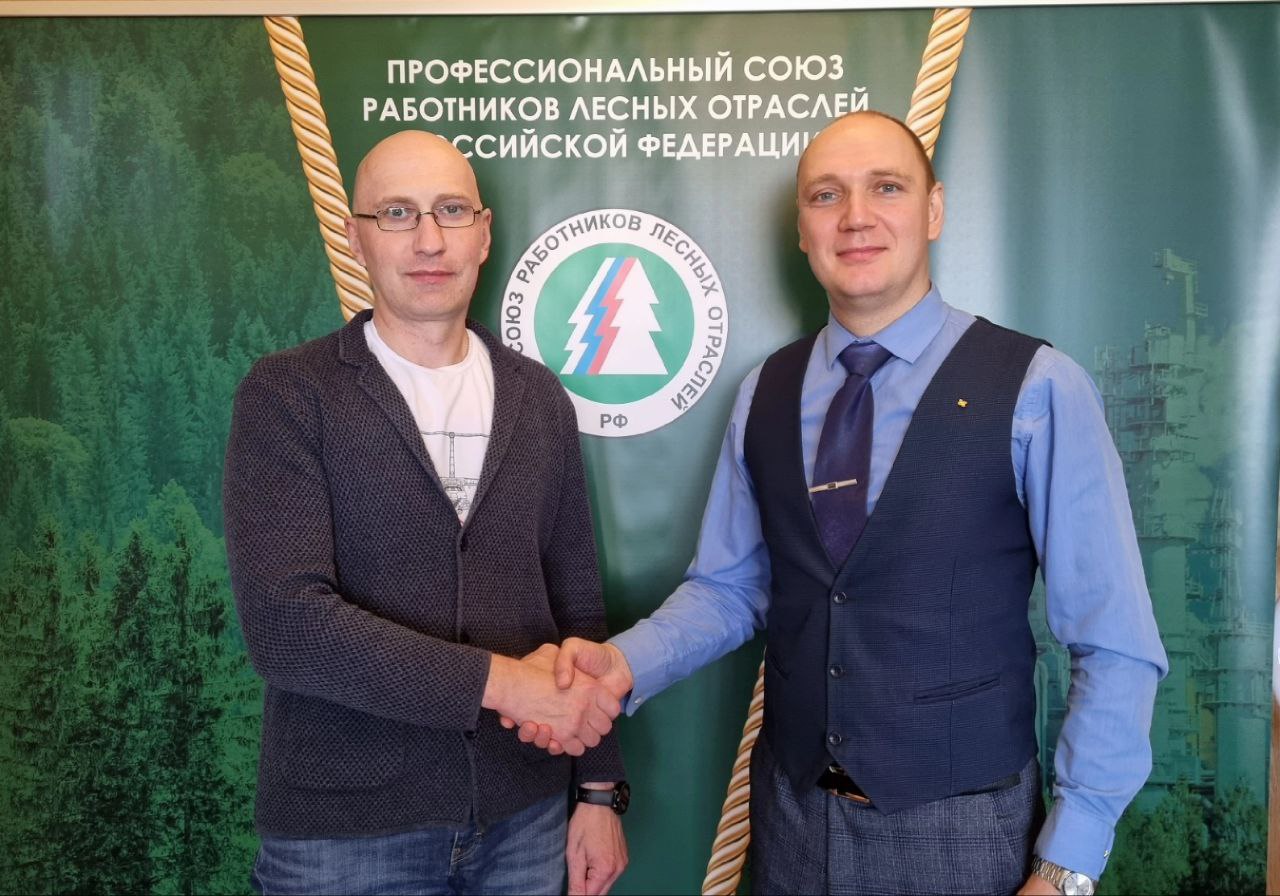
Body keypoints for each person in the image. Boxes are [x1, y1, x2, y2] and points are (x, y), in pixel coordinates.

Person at [521, 111, 1167, 895]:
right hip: (791, 825)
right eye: (827, 196)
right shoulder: (766, 392)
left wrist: (1065, 867)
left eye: (886, 188)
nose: (856, 216)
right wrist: (623, 666)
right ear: (802, 229)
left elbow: (1114, 641)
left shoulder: (1038, 387)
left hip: (963, 834)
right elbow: (730, 588)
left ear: (933, 209)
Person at [223, 130, 628, 896]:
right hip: (344, 836)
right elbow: (286, 628)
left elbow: (577, 607)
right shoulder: (288, 394)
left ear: (484, 233)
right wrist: (507, 685)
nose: (430, 239)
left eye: (450, 210)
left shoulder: (539, 398)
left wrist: (600, 792)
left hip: (526, 818)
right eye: (398, 213)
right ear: (357, 238)